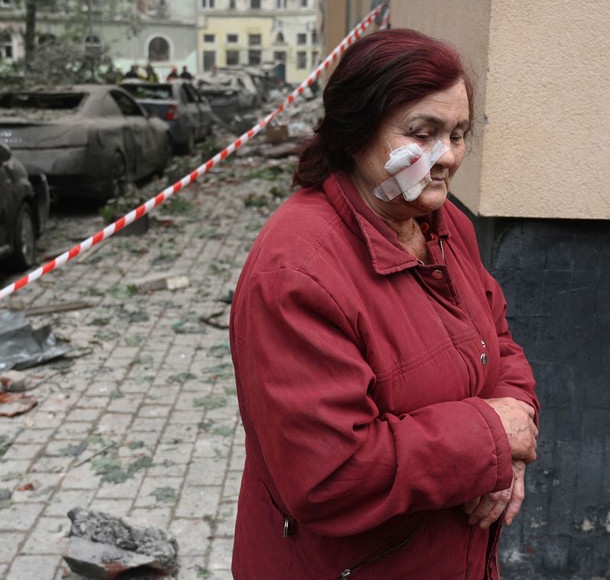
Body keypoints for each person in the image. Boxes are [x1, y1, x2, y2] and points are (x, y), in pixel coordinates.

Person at [229, 28, 539, 579]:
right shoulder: (297, 273)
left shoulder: (447, 227)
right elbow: (330, 474)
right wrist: (492, 440)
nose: (446, 157)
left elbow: (501, 347)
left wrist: (509, 449)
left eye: (460, 134)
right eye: (422, 134)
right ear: (356, 132)